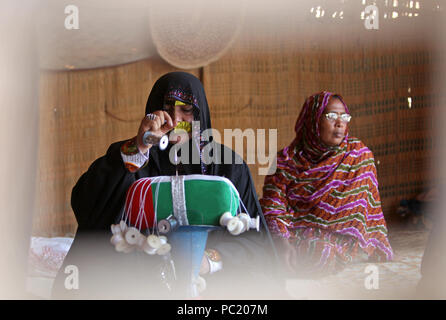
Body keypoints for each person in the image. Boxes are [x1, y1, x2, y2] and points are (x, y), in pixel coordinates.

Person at [52, 72, 278, 299]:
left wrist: (208, 260)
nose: (174, 119)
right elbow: (86, 206)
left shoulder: (227, 166)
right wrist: (139, 147)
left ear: (199, 114)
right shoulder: (131, 156)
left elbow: (255, 241)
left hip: (208, 285)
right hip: (136, 282)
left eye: (186, 110)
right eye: (166, 108)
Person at [260, 91, 393, 277]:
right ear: (312, 120)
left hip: (338, 242)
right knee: (251, 246)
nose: (339, 123)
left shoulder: (358, 155)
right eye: (331, 116)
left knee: (321, 253)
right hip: (291, 235)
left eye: (344, 116)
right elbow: (272, 207)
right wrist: (282, 243)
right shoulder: (285, 160)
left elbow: (366, 214)